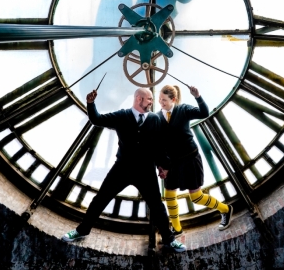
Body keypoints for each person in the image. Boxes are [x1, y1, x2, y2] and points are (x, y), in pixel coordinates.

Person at [62, 87, 186, 253]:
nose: (151, 102)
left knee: (157, 206)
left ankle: (168, 239)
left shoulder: (155, 119)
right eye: (149, 99)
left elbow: (158, 147)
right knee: (100, 199)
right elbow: (97, 120)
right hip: (122, 169)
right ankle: (82, 230)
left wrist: (164, 166)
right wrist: (90, 104)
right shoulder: (121, 116)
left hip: (145, 171)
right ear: (138, 99)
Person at [156, 85, 233, 236]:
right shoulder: (157, 117)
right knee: (169, 196)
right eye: (159, 99)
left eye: (164, 100)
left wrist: (198, 97)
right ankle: (177, 229)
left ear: (173, 99)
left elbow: (204, 113)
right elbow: (158, 144)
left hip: (190, 159)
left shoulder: (183, 109)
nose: (161, 103)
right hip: (171, 163)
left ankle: (225, 209)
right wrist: (161, 165)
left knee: (196, 197)